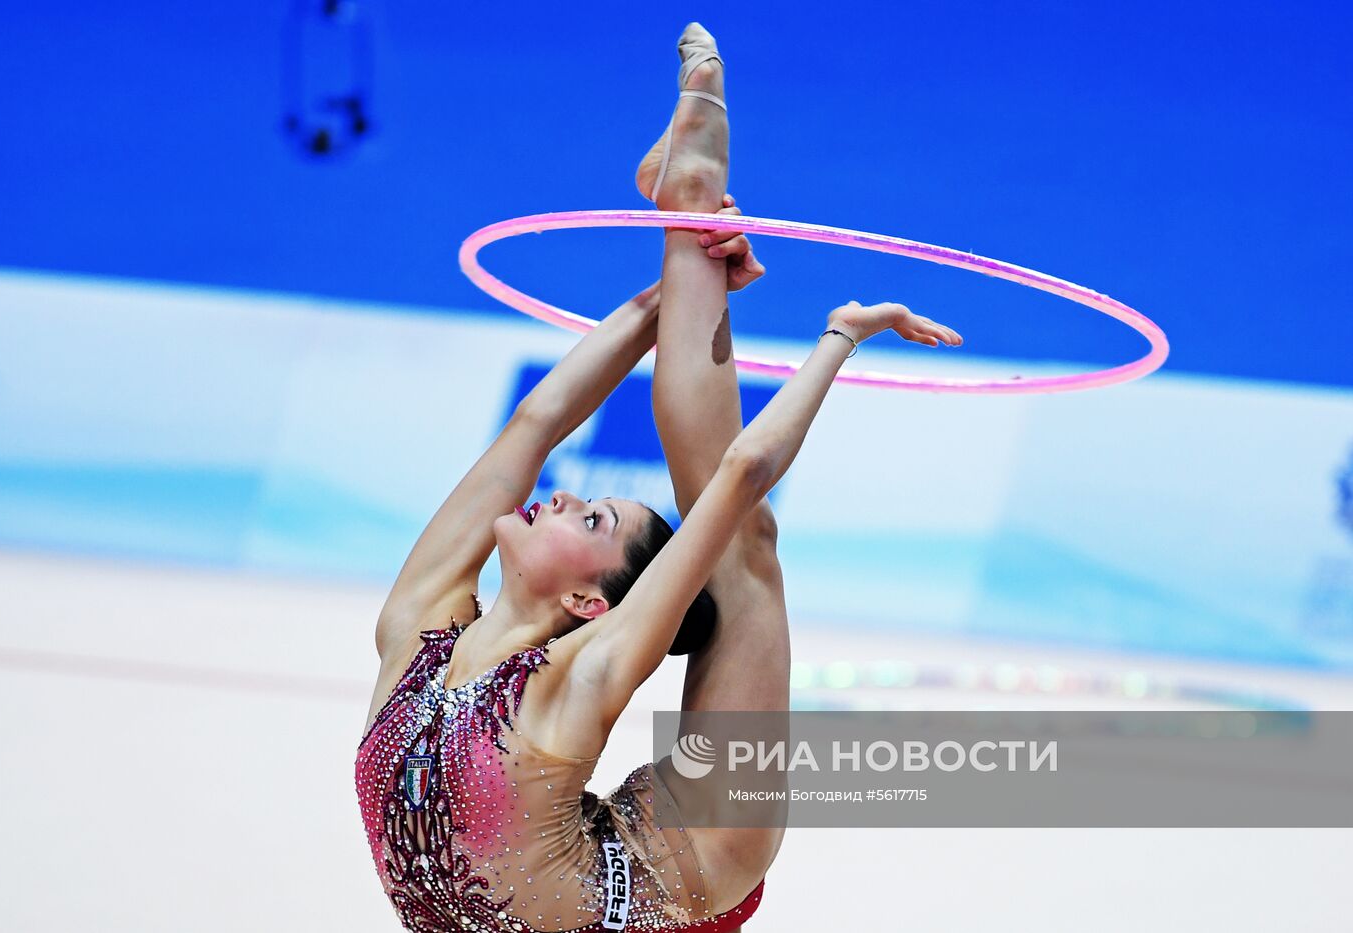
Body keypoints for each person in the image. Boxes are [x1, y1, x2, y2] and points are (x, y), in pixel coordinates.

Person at [355, 23, 963, 932]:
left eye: (590, 520)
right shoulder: (416, 627)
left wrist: (841, 334)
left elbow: (747, 470)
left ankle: (693, 201)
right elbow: (537, 422)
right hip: (651, 879)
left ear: (595, 604)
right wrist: (675, 281)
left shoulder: (580, 668)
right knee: (735, 530)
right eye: (589, 505)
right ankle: (690, 209)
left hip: (683, 861)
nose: (560, 491)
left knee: (743, 545)